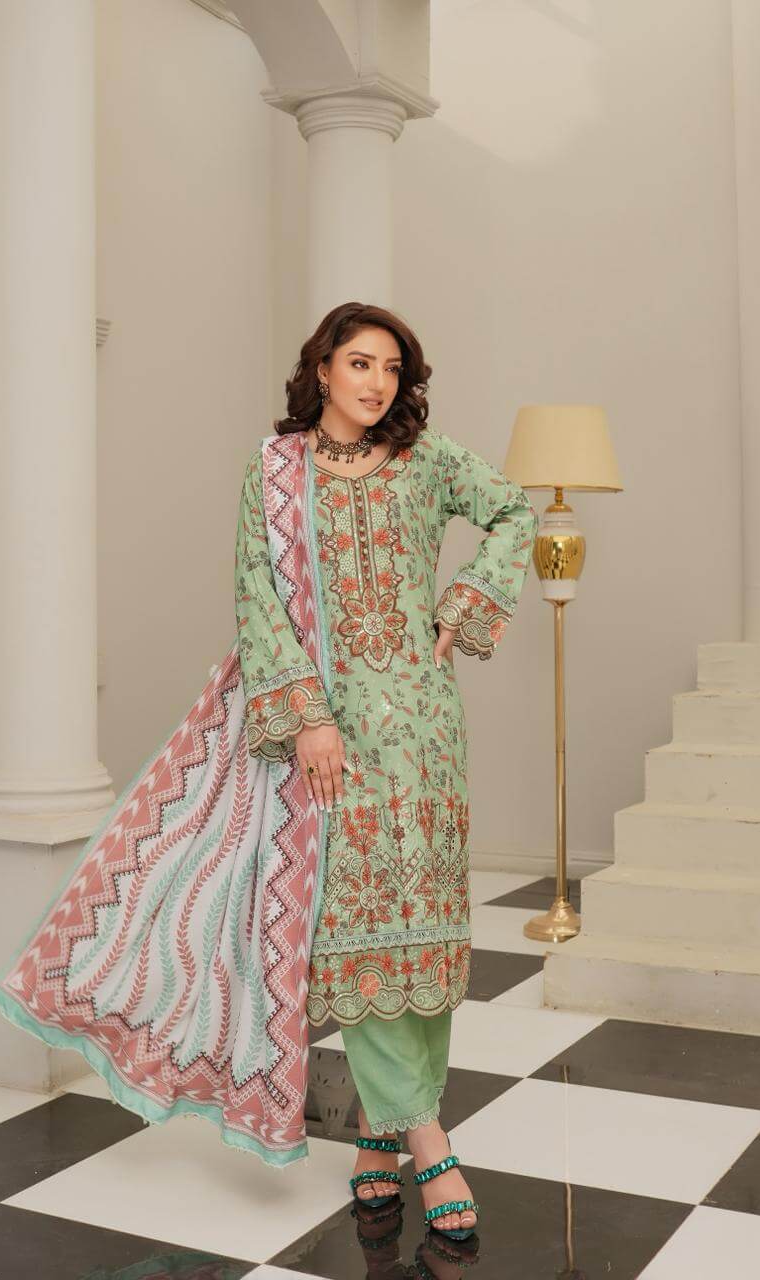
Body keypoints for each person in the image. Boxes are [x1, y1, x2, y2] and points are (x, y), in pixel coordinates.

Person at [234, 301, 539, 1237]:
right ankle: (432, 1145)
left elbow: (514, 511)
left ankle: (376, 1136)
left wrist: (466, 601)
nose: (376, 382)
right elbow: (257, 594)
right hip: (333, 736)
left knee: (422, 932)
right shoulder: (275, 470)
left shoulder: (425, 458)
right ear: (322, 368)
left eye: (392, 369)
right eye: (360, 362)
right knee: (359, 932)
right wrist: (309, 718)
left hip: (425, 735)